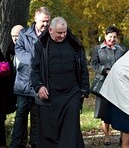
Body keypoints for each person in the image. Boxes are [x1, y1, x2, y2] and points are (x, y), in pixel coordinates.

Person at [30, 17, 90, 148]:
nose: (63, 35)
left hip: (72, 92)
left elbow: (82, 67)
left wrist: (84, 88)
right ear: (50, 30)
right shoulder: (41, 45)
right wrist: (39, 87)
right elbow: (34, 69)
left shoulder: (75, 45)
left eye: (65, 32)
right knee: (50, 132)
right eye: (59, 33)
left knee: (70, 129)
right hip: (51, 94)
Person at [10, 7, 51, 148]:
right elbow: (19, 51)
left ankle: (35, 144)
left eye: (47, 21)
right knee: (20, 118)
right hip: (23, 85)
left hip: (40, 86)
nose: (45, 24)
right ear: (35, 19)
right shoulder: (24, 34)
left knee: (37, 119)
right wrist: (36, 60)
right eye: (43, 21)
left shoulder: (50, 35)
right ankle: (16, 144)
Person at [91, 26, 125, 146]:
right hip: (103, 84)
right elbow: (94, 64)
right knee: (104, 111)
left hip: (119, 84)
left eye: (114, 37)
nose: (112, 39)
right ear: (105, 36)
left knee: (121, 110)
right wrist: (105, 70)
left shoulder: (121, 49)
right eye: (110, 36)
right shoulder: (98, 49)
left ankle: (123, 136)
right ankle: (106, 136)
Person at [0, 25, 24, 148]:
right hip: (12, 85)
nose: (15, 38)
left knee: (23, 114)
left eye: (17, 36)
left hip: (25, 86)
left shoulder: (29, 48)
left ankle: (22, 142)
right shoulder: (10, 50)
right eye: (13, 36)